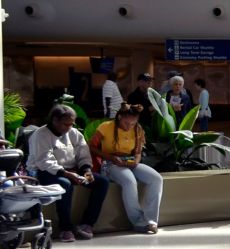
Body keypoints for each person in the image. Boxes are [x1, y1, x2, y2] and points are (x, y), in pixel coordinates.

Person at [28, 104, 111, 242]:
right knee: (65, 184)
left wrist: (86, 171)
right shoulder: (41, 135)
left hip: (72, 170)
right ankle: (65, 228)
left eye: (71, 124)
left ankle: (87, 224)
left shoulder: (73, 133)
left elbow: (83, 154)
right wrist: (67, 174)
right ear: (54, 120)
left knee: (101, 182)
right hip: (44, 172)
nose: (69, 127)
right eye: (65, 124)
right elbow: (44, 161)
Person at [89, 103, 163, 232]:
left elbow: (138, 152)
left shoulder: (138, 129)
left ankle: (151, 220)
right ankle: (139, 222)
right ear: (119, 117)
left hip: (129, 161)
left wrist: (136, 161)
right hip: (109, 163)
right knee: (129, 181)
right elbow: (91, 147)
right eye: (126, 123)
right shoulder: (106, 127)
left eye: (133, 124)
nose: (129, 127)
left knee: (156, 178)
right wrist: (111, 158)